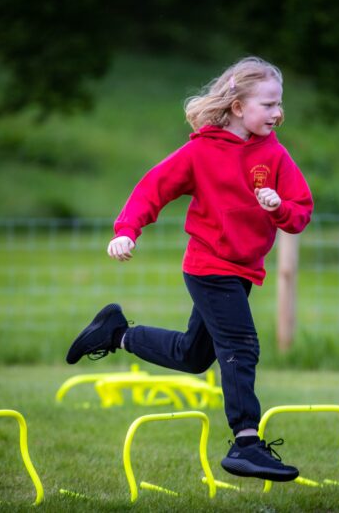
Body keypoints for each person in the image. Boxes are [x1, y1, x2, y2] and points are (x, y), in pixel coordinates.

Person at [65, 56, 313, 482]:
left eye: (279, 104)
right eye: (268, 104)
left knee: (194, 355)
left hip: (243, 269)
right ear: (238, 106)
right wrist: (127, 230)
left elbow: (300, 212)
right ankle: (246, 443)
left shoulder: (274, 154)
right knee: (242, 344)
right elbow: (153, 188)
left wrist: (280, 207)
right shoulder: (201, 151)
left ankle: (116, 333)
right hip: (207, 265)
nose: (278, 113)